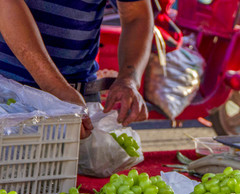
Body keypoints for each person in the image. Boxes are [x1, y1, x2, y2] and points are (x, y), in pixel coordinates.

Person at [0, 0, 153, 138]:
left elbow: (136, 15)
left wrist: (128, 79)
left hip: (78, 96)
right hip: (8, 96)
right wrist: (55, 87)